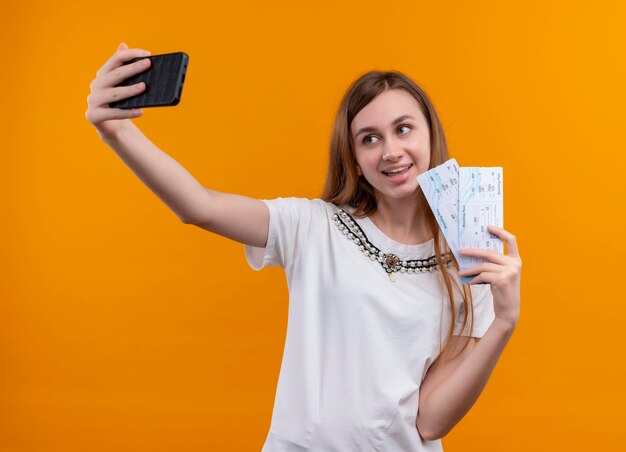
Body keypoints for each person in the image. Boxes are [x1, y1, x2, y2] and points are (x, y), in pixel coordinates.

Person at [86, 42, 522, 451]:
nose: (391, 151)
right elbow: (200, 206)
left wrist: (503, 320)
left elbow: (429, 422)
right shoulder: (314, 226)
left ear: (429, 135)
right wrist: (117, 133)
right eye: (369, 138)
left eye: (403, 129)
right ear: (353, 156)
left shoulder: (471, 262)